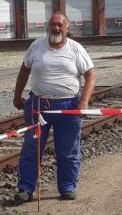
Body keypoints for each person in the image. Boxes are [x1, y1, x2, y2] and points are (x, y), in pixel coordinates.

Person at [12, 12, 96, 201]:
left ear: (67, 28)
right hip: (38, 106)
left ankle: (67, 187)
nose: (56, 28)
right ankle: (25, 188)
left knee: (68, 150)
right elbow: (24, 71)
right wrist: (17, 96)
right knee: (32, 148)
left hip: (68, 107)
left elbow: (90, 75)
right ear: (48, 26)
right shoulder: (36, 46)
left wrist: (83, 102)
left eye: (60, 25)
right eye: (53, 24)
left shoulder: (75, 49)